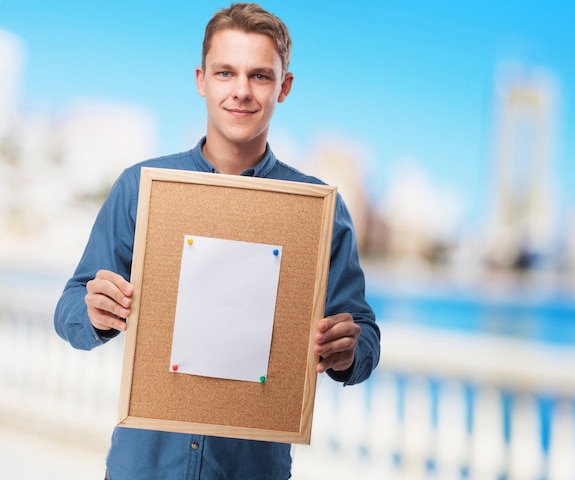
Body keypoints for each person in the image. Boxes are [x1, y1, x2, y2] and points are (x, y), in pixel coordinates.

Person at [54, 2, 380, 479]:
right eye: (225, 72)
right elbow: (68, 309)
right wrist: (94, 311)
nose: (242, 92)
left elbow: (365, 334)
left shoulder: (319, 210)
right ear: (201, 79)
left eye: (261, 76)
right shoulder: (141, 187)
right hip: (143, 467)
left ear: (284, 87)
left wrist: (350, 351)